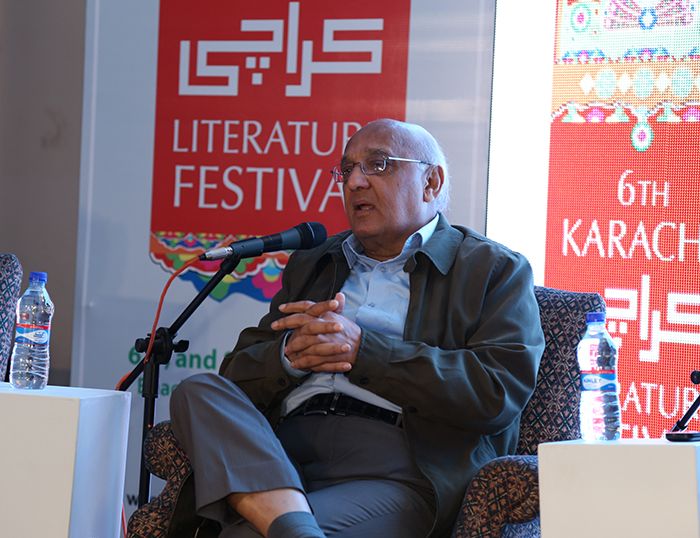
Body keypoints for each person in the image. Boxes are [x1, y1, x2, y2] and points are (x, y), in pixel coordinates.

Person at [166, 118, 545, 538]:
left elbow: (497, 392)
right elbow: (237, 377)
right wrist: (289, 355)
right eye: (346, 170)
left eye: (378, 164)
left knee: (248, 534)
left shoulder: (493, 269)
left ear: (431, 183)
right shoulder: (315, 262)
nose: (354, 182)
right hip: (280, 459)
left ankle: (289, 525)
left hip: (399, 469)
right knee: (197, 391)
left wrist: (364, 350)